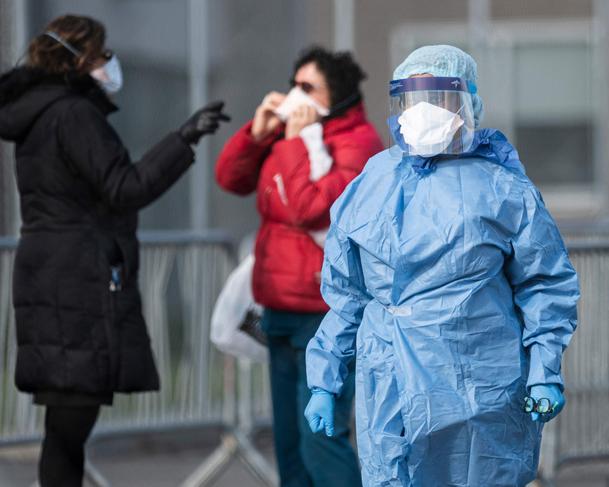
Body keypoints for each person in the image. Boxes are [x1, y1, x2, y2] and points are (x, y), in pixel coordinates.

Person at [304, 45, 580, 486]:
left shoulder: (503, 189)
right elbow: (347, 296)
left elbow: (544, 285)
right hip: (389, 385)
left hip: (477, 389)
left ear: (468, 104)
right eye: (414, 100)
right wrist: (324, 380)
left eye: (440, 98)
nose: (426, 111)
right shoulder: (373, 181)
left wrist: (545, 371)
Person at [0, 15, 229, 487]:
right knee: (69, 426)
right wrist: (183, 139)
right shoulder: (72, 114)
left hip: (49, 272)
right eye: (103, 55)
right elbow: (125, 187)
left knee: (64, 428)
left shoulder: (40, 114)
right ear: (80, 59)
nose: (110, 64)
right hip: (77, 281)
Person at [215, 46, 383, 487]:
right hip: (279, 306)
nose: (295, 95)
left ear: (338, 96)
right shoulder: (289, 134)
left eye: (308, 88)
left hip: (324, 313)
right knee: (289, 444)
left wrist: (294, 142)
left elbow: (311, 208)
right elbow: (230, 178)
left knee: (320, 440)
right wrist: (257, 132)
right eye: (294, 84)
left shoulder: (357, 142)